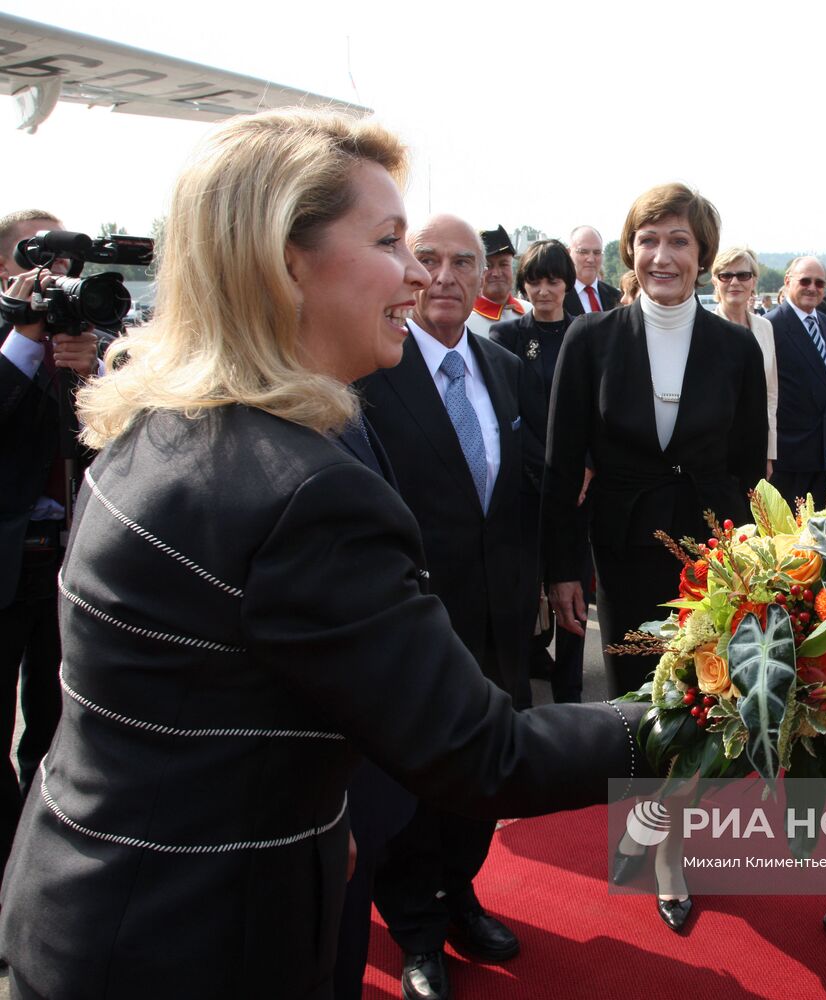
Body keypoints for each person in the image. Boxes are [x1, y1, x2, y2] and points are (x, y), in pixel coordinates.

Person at [0, 108, 646, 1000]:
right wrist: (707, 711)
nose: (420, 271)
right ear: (283, 260)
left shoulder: (167, 419)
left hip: (90, 902)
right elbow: (487, 755)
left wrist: (308, 803)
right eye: (389, 240)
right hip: (195, 943)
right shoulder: (303, 489)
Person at [350, 213, 534, 1000]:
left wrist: (554, 578)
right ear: (405, 270)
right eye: (429, 259)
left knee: (482, 780)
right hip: (411, 624)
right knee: (413, 784)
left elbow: (528, 492)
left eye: (468, 261)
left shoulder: (506, 368)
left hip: (497, 620)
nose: (449, 276)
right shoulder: (367, 375)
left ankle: (460, 894)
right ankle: (416, 930)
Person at [543, 183, 766, 700]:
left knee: (712, 698)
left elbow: (751, 470)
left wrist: (758, 565)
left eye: (679, 241)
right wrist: (561, 571)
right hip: (623, 554)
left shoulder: (737, 348)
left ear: (703, 254)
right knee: (635, 701)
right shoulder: (589, 340)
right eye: (648, 240)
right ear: (631, 250)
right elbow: (561, 467)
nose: (661, 257)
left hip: (716, 553)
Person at [0, 208, 101, 888]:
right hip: (7, 562)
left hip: (70, 562)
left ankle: (42, 870)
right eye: (36, 259)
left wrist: (90, 371)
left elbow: (110, 444)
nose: (53, 276)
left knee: (61, 726)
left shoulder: (91, 336)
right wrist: (17, 340)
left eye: (63, 262)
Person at [490, 238, 587, 705]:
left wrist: (586, 464)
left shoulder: (587, 334)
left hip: (579, 490)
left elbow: (597, 414)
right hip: (527, 487)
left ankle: (571, 693)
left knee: (575, 591)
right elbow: (508, 414)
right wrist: (543, 469)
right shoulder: (506, 337)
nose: (543, 290)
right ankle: (519, 692)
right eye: (534, 281)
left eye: (553, 280)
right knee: (526, 591)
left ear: (567, 283)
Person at [766, 256, 826, 502]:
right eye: (805, 281)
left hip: (823, 453)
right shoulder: (771, 324)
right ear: (788, 281)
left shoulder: (822, 321)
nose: (812, 288)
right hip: (788, 457)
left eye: (819, 283)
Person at [710, 245, 778, 477]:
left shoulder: (765, 327)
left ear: (753, 281)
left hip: (755, 444)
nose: (734, 282)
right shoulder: (703, 327)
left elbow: (771, 395)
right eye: (726, 275)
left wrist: (769, 453)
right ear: (715, 281)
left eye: (743, 275)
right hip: (713, 449)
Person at [464, 224, 531, 338]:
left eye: (503, 264)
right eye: (488, 266)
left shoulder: (529, 311)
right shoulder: (464, 320)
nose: (496, 273)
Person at [564, 225, 620, 314]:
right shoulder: (558, 297)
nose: (590, 259)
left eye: (597, 252)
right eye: (583, 252)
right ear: (568, 253)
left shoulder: (616, 297)